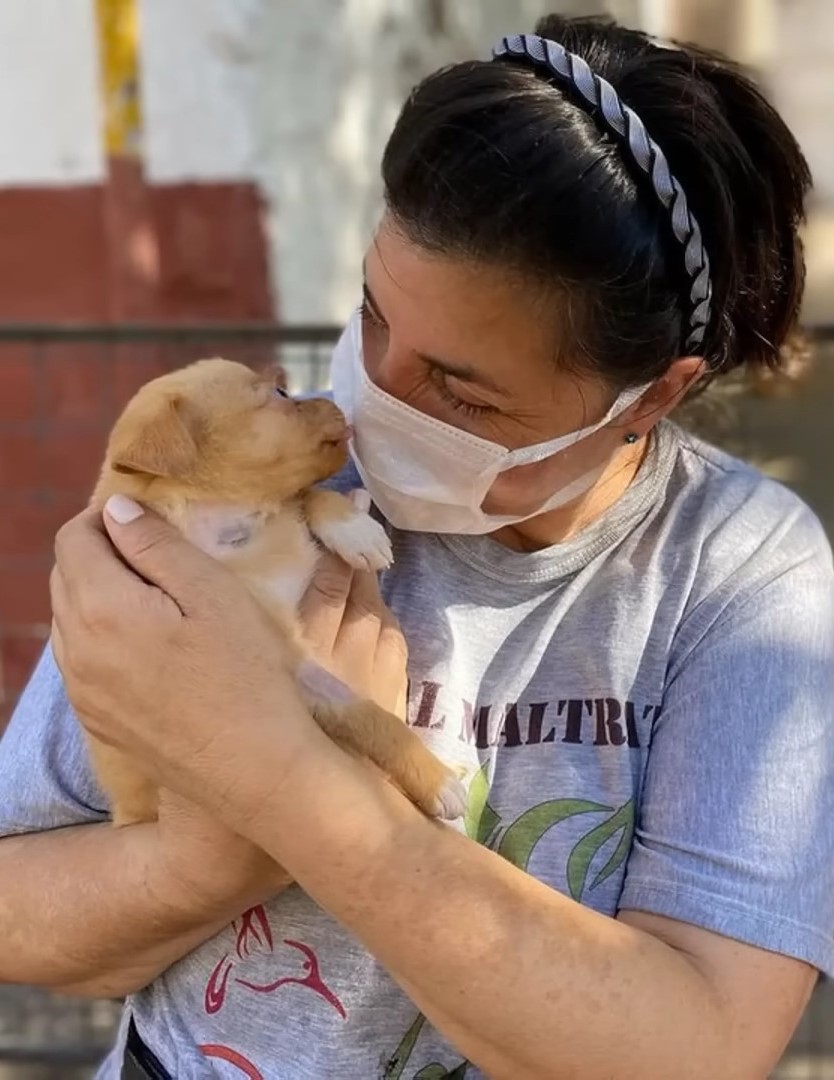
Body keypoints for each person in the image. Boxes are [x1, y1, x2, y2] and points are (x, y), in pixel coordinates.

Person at [2, 13, 833, 1080]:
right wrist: (209, 850)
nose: (367, 405)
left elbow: (700, 1047)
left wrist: (277, 773)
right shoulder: (242, 499)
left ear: (652, 395)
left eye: (460, 389)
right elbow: (18, 912)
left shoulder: (739, 573)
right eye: (372, 315)